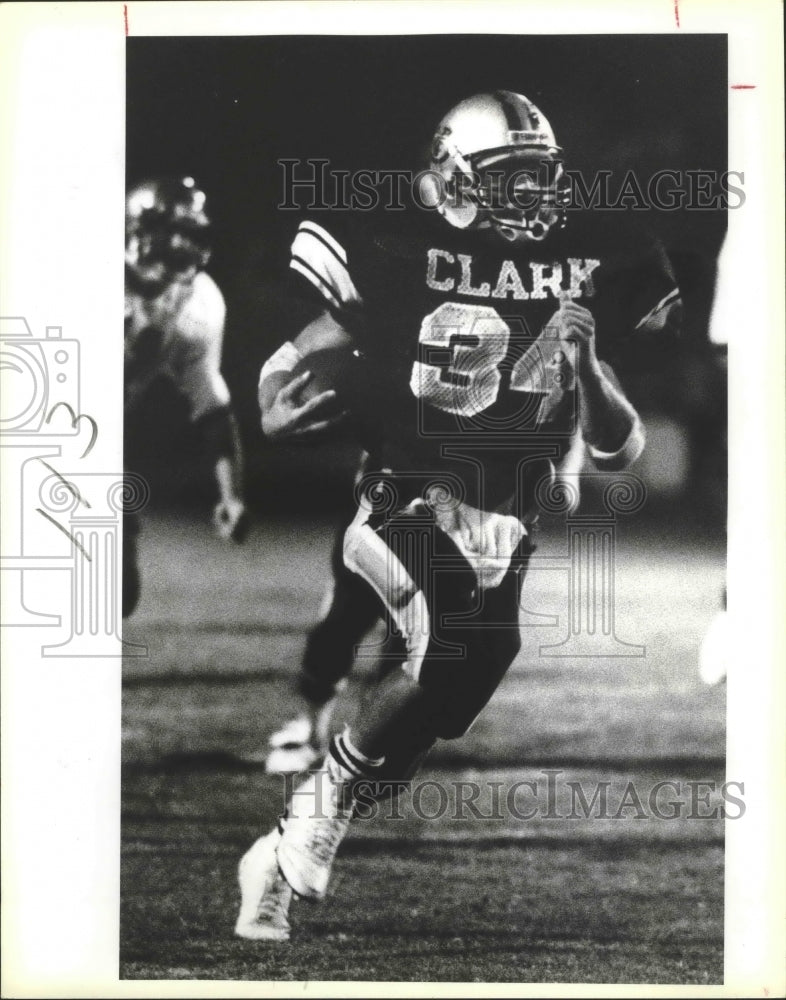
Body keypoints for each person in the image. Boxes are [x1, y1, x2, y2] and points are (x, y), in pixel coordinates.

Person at [235, 91, 681, 941]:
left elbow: (625, 455)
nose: (530, 198)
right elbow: (320, 339)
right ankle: (315, 818)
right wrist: (275, 380)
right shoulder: (397, 241)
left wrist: (589, 370)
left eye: (538, 179)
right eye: (507, 179)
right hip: (402, 492)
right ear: (451, 173)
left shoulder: (593, 259)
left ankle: (279, 849)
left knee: (453, 689)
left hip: (505, 527)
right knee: (446, 644)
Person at [123, 176, 247, 618]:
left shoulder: (197, 302)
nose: (183, 245)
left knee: (116, 590)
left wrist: (230, 494)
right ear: (135, 230)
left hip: (94, 446)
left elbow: (210, 403)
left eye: (191, 233)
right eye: (171, 231)